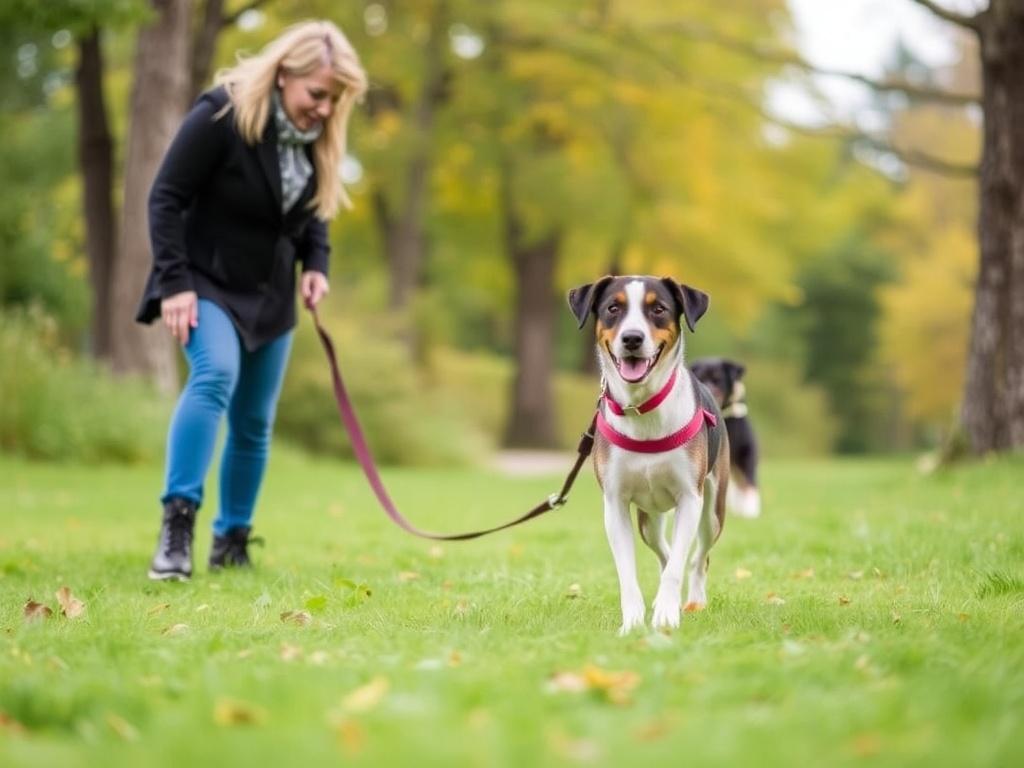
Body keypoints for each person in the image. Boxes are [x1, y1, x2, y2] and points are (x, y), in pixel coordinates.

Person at [135, 20, 368, 580]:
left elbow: (315, 212)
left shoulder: (315, 139)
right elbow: (165, 197)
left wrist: (316, 265)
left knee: (255, 421)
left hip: (270, 294)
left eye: (334, 99)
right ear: (285, 71)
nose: (323, 108)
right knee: (214, 376)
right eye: (317, 93)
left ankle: (232, 540)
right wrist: (174, 283)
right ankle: (177, 528)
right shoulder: (222, 114)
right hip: (204, 280)